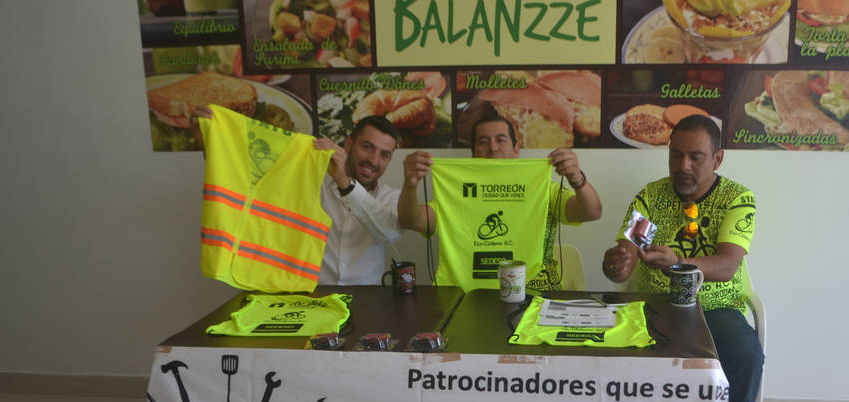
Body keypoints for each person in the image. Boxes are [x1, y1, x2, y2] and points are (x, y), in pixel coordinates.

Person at [602, 115, 764, 402]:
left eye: (696, 157)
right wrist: (617, 264)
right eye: (676, 156)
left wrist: (678, 262)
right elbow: (626, 253)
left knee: (746, 355)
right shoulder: (651, 198)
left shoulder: (737, 198)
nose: (683, 166)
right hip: (656, 305)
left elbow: (727, 265)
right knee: (613, 355)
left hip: (715, 307)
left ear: (718, 158)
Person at [193, 108, 403, 285]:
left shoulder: (390, 197)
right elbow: (245, 180)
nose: (373, 160)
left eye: (384, 155)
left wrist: (346, 185)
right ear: (348, 144)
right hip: (309, 297)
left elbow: (390, 233)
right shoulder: (309, 179)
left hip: (367, 300)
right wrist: (211, 139)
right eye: (367, 147)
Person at [397, 115, 603, 290]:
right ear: (473, 153)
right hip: (469, 296)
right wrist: (410, 185)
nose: (493, 148)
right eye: (483, 141)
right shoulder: (457, 190)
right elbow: (411, 221)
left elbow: (592, 212)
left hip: (535, 293)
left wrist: (577, 178)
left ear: (516, 148)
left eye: (501, 139)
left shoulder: (543, 188)